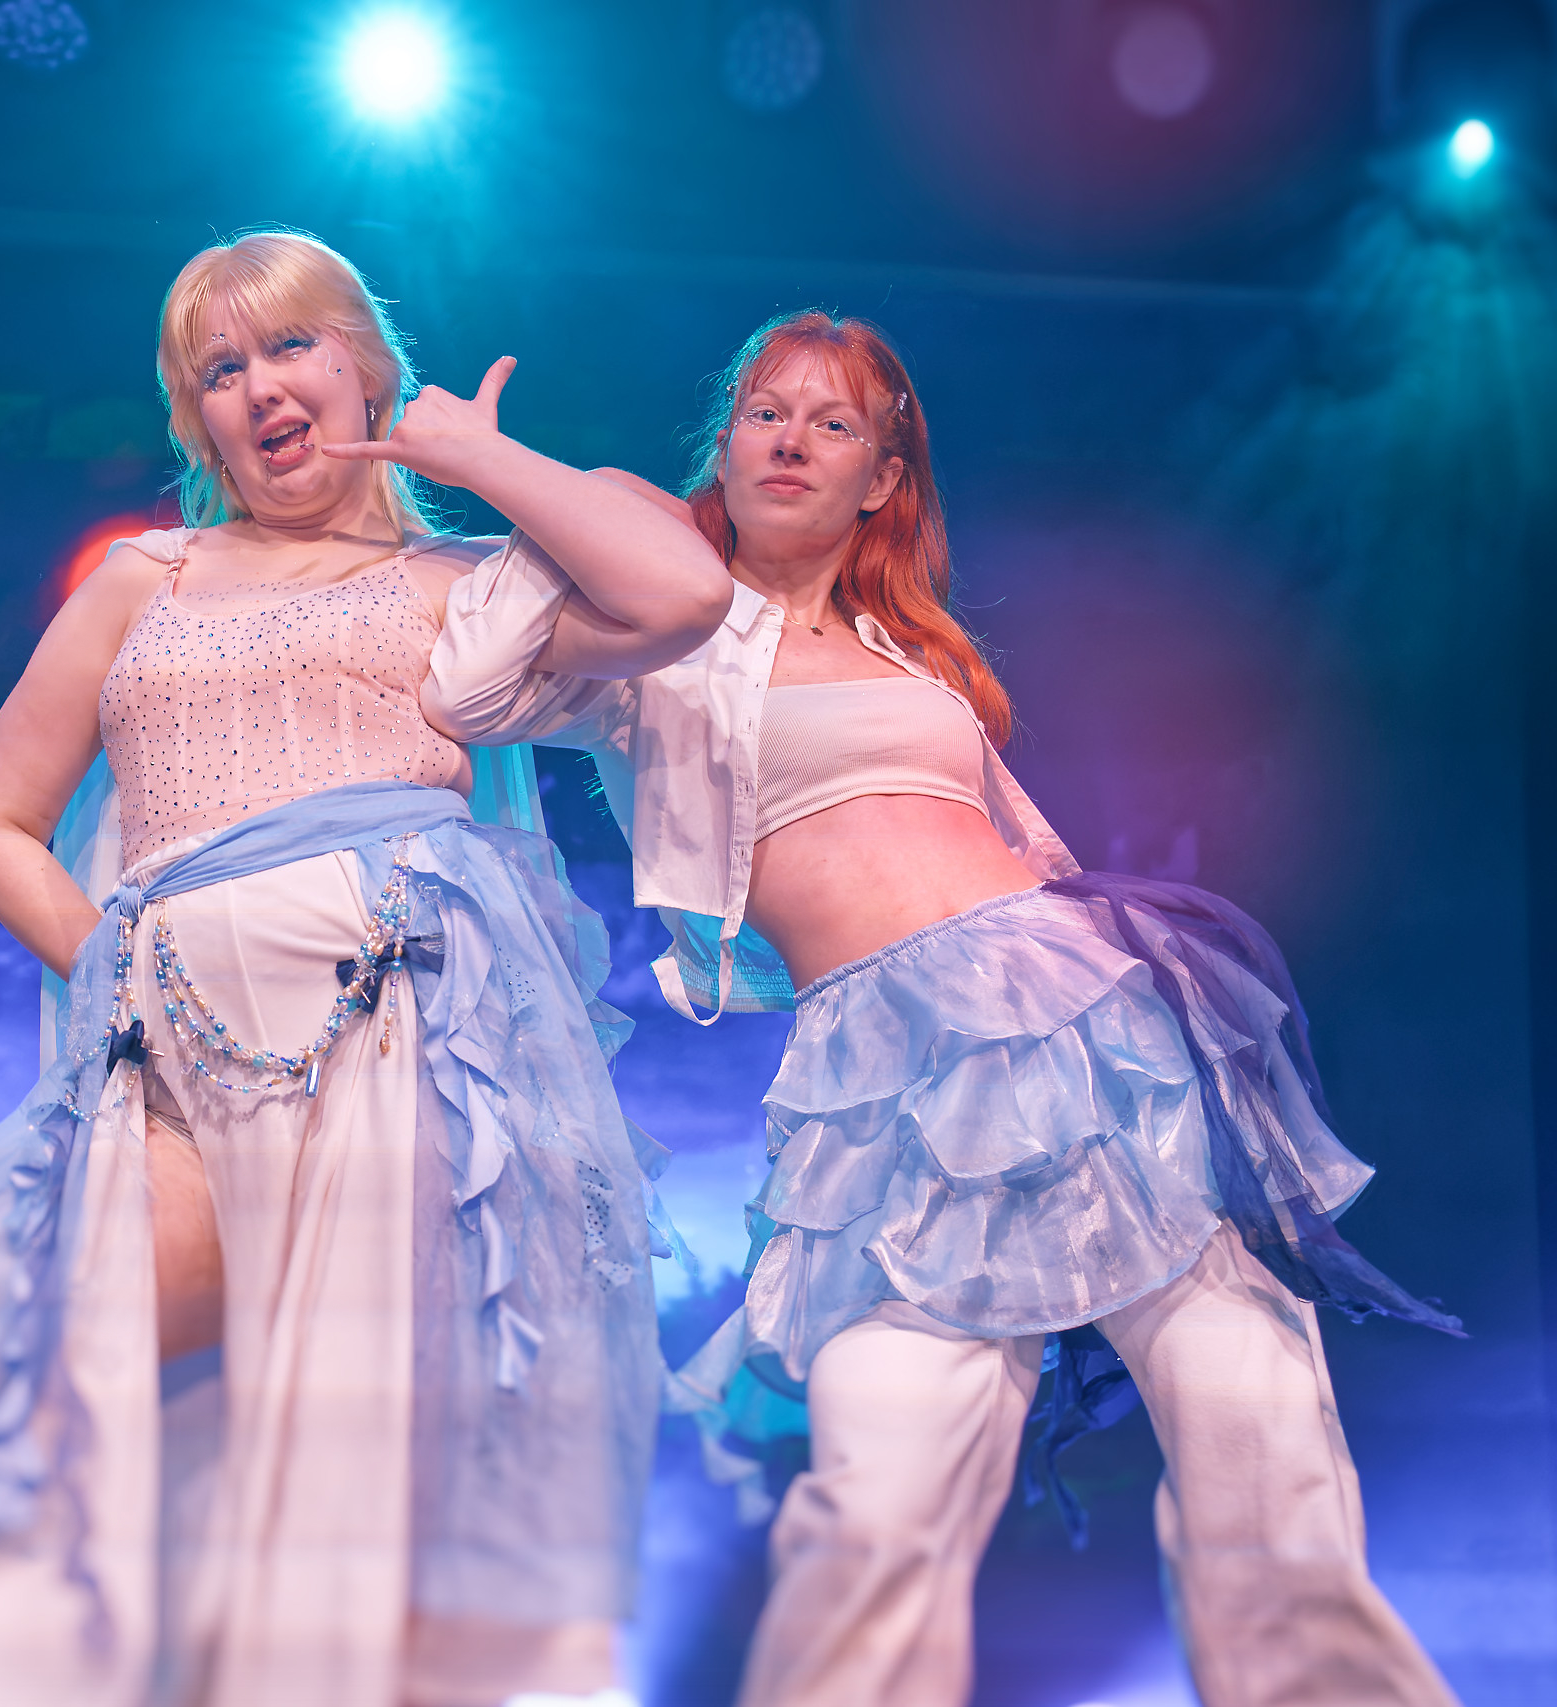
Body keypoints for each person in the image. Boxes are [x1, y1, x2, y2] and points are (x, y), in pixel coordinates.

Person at [0, 229, 733, 1707]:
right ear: (199, 417)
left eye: (292, 345)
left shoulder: (461, 586)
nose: (261, 387)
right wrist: (114, 978)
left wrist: (476, 457)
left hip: (392, 1064)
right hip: (165, 1071)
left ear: (367, 364)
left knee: (338, 1471)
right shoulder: (143, 577)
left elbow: (684, 594)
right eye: (220, 369)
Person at [427, 310, 1462, 1707]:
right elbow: (471, 690)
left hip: (1076, 1031)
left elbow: (1024, 851)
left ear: (883, 481)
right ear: (722, 448)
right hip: (881, 1083)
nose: (791, 440)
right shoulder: (658, 629)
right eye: (763, 413)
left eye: (834, 423)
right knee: (881, 1492)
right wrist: (494, 466)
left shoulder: (912, 656)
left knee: (1258, 1425)